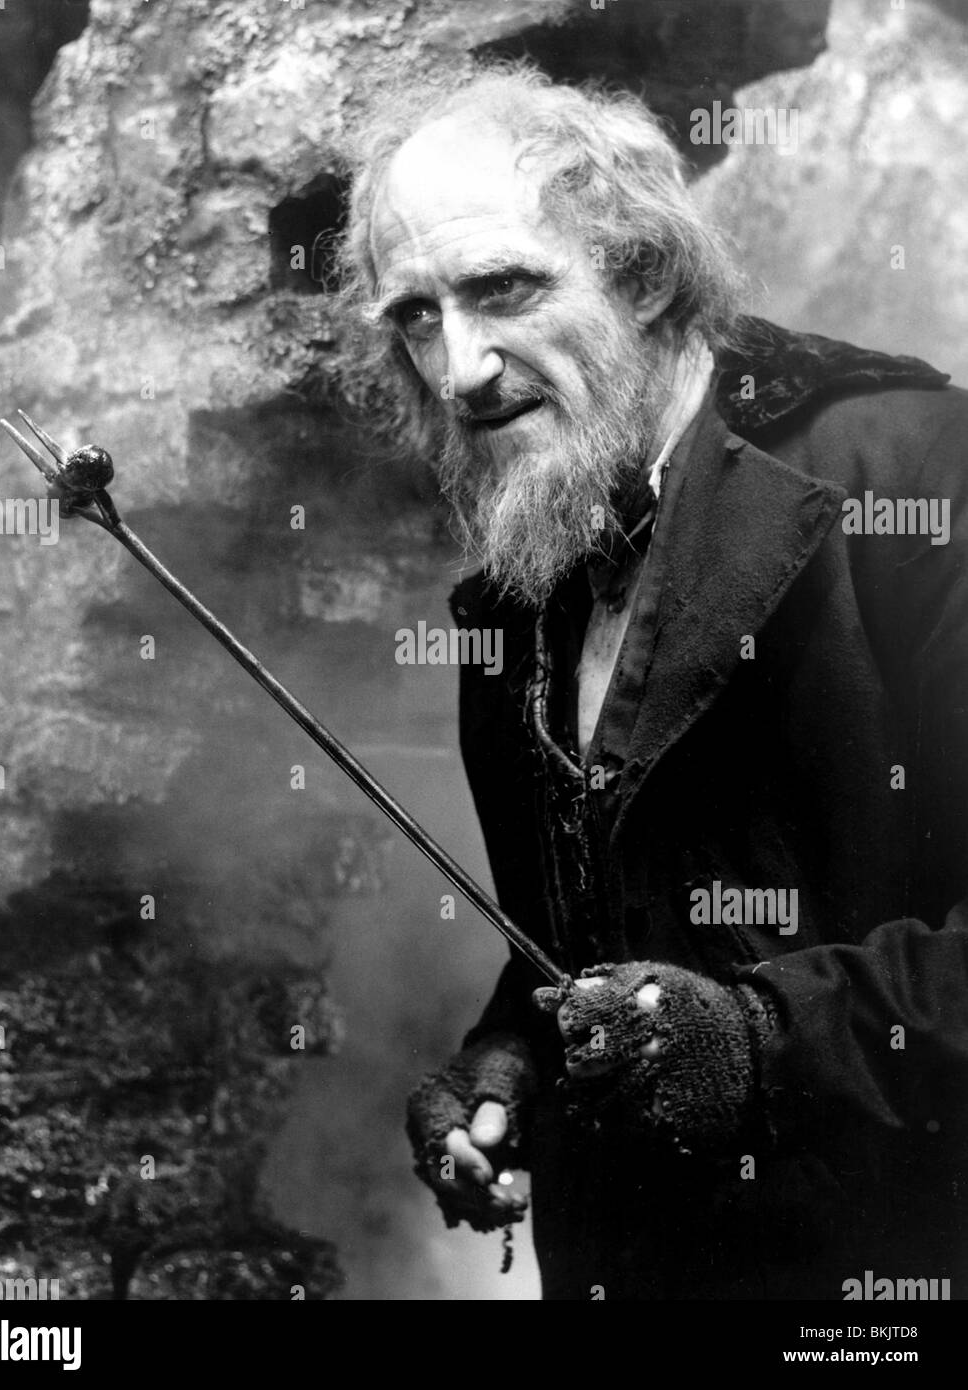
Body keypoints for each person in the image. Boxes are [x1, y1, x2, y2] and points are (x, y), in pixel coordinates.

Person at [335, 64, 968, 1300]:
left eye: (502, 289)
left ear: (644, 275)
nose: (459, 368)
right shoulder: (522, 586)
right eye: (415, 315)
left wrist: (762, 1042)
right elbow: (596, 942)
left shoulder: (921, 478)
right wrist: (509, 1063)